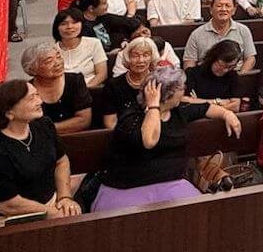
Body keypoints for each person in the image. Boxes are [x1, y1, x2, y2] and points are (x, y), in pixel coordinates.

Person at [92, 67, 241, 212]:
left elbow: (206, 108)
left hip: (171, 182)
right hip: (128, 186)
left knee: (198, 214)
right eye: (181, 87)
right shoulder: (132, 117)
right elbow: (149, 141)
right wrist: (153, 106)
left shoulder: (179, 110)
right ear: (167, 94)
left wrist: (227, 114)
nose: (185, 90)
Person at [0, 80, 81, 228]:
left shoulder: (44, 125)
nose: (40, 101)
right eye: (31, 98)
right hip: (4, 221)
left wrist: (65, 197)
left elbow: (61, 161)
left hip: (49, 206)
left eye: (37, 95)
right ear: (9, 113)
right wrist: (50, 212)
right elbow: (8, 205)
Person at [21, 42, 92, 133]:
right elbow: (27, 126)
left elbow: (84, 120)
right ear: (32, 69)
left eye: (58, 57)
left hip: (77, 137)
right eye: (49, 61)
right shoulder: (26, 91)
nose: (57, 63)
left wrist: (47, 129)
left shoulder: (75, 81)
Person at [183, 0, 257, 71]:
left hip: (236, 74)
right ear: (211, 10)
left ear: (234, 10)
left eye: (228, 6)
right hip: (206, 75)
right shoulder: (197, 34)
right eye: (219, 6)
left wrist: (241, 75)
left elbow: (250, 58)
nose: (223, 9)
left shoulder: (243, 30)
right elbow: (189, 62)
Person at [99, 37, 161, 128]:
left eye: (146, 55)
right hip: (123, 134)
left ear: (152, 58)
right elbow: (110, 123)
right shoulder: (113, 85)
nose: (141, 60)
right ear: (128, 58)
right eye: (135, 56)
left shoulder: (159, 82)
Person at [184, 39, 244, 112]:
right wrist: (218, 101)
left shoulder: (232, 76)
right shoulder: (192, 74)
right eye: (221, 65)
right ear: (213, 58)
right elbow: (186, 102)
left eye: (230, 66)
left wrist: (199, 103)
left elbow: (235, 107)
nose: (225, 70)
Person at [52, 9, 107, 87]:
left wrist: (84, 89)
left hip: (90, 89)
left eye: (74, 22)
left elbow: (102, 74)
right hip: (61, 90)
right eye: (64, 24)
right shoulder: (51, 50)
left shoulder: (94, 43)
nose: (69, 27)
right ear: (57, 28)